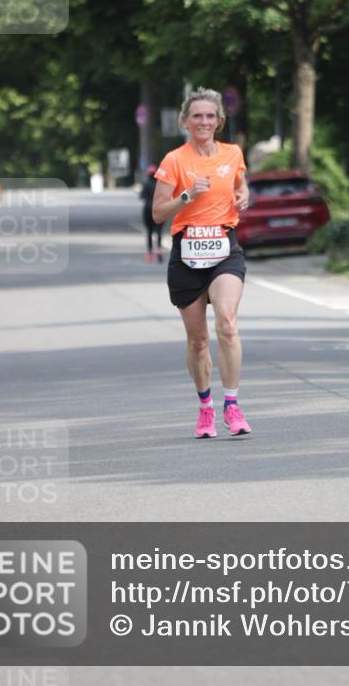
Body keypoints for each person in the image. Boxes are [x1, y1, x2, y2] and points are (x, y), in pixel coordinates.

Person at [152, 87, 251, 439]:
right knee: (198, 341)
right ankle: (206, 406)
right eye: (197, 116)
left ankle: (233, 404)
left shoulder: (233, 152)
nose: (204, 121)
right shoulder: (174, 160)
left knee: (227, 324)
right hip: (187, 251)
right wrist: (186, 195)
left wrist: (244, 196)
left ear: (219, 121)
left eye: (210, 116)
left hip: (224, 248)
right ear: (185, 121)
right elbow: (158, 211)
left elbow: (240, 185)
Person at [140, 164, 164, 262]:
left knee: (149, 232)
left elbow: (142, 196)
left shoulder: (146, 184)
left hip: (147, 210)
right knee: (159, 231)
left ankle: (149, 253)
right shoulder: (160, 184)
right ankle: (159, 249)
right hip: (159, 209)